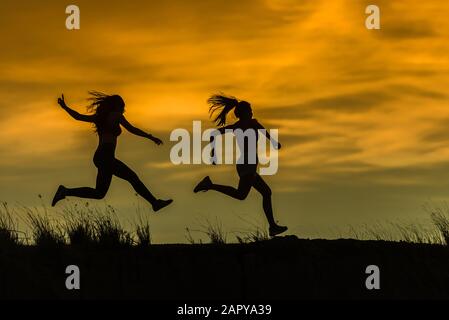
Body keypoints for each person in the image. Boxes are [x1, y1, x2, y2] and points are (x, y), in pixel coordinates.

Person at [51, 92, 173, 212]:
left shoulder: (100, 118)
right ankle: (155, 203)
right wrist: (150, 137)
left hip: (101, 157)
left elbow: (78, 117)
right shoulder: (116, 115)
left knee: (99, 193)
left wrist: (65, 108)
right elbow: (132, 129)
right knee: (133, 178)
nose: (123, 109)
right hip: (106, 156)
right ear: (116, 106)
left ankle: (65, 191)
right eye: (122, 106)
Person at [194, 94, 287, 237]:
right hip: (247, 164)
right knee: (241, 195)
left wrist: (213, 152)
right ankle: (209, 185)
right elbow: (264, 133)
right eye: (249, 110)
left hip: (246, 164)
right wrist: (274, 143)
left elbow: (214, 134)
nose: (252, 112)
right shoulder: (251, 124)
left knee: (266, 192)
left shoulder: (239, 126)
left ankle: (273, 226)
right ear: (244, 113)